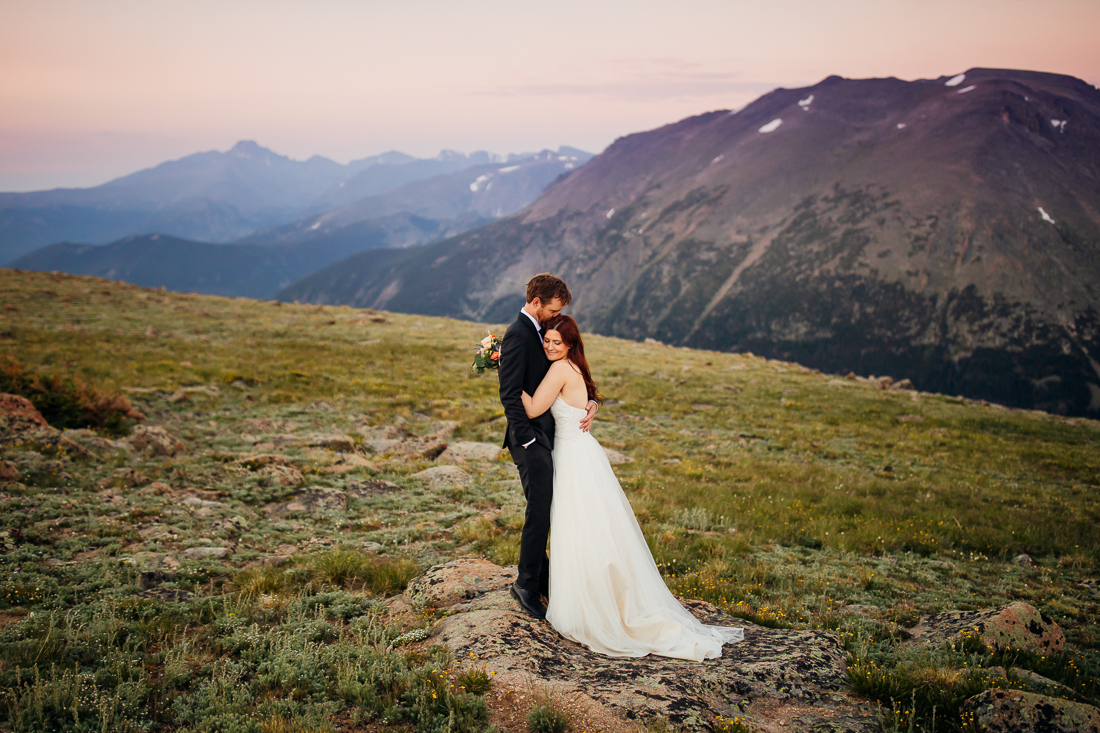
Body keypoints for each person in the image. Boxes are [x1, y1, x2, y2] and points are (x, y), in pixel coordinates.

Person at [520, 315, 744, 660]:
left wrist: (506, 373)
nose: (549, 346)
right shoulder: (575, 367)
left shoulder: (561, 369)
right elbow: (587, 397)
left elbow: (534, 406)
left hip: (573, 457)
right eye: (547, 340)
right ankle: (599, 595)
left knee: (577, 529)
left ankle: (589, 606)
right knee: (595, 530)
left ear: (569, 346)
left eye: (556, 343)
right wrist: (592, 403)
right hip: (584, 453)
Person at [498, 274, 598, 620]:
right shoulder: (518, 334)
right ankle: (526, 584)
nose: (556, 314)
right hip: (530, 440)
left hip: (550, 438)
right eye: (553, 308)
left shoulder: (542, 334)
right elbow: (509, 394)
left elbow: (571, 377)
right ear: (537, 302)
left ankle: (541, 578)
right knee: (538, 512)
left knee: (543, 509)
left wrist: (591, 404)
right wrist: (526, 438)